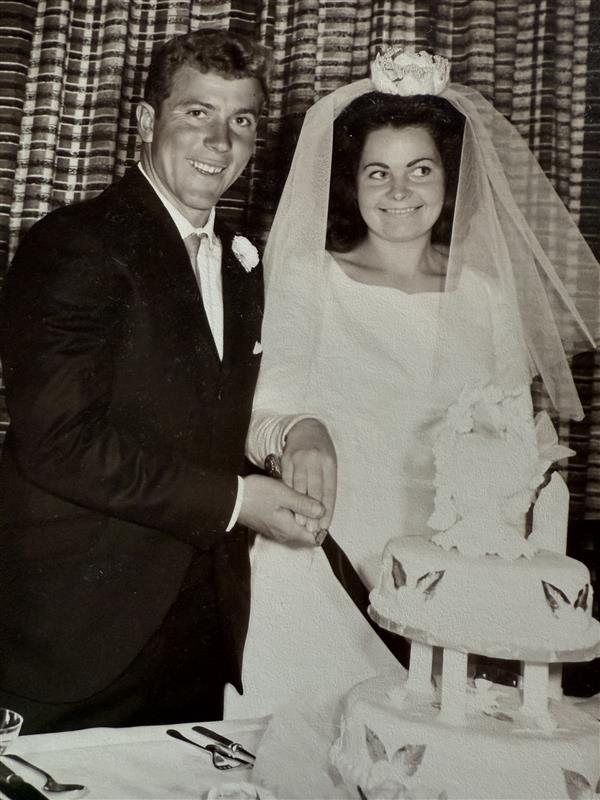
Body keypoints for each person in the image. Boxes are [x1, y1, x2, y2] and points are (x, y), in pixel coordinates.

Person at [224, 47, 599, 718]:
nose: (400, 192)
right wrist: (300, 430)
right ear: (352, 183)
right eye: (379, 172)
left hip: (453, 588)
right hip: (318, 570)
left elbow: (518, 437)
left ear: (450, 180)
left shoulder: (485, 294)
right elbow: (260, 419)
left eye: (420, 169)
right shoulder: (313, 277)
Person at [0, 28, 336, 735]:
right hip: (75, 626)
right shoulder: (75, 243)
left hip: (196, 625)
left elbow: (209, 413)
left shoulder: (242, 262)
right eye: (197, 113)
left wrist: (290, 439)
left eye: (240, 120)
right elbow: (57, 441)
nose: (220, 141)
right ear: (148, 121)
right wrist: (239, 500)